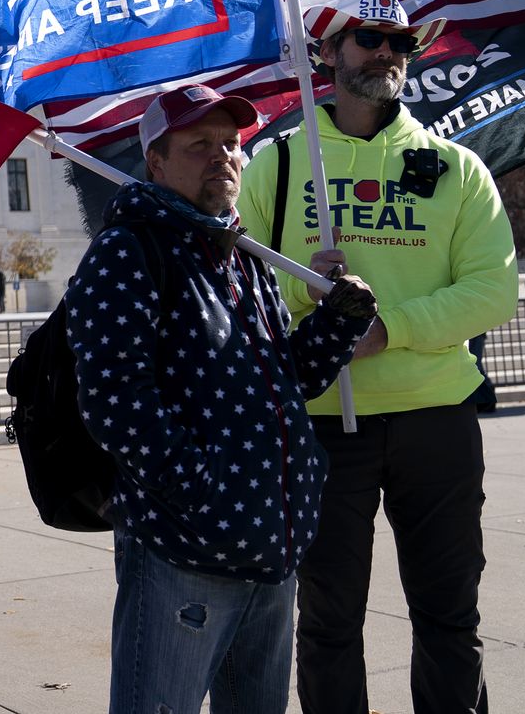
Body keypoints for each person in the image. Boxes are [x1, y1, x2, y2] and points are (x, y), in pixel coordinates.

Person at [238, 0, 517, 714]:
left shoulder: (456, 168)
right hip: (325, 424)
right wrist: (307, 294)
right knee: (329, 624)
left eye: (400, 42)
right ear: (328, 53)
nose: (388, 53)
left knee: (451, 616)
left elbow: (493, 290)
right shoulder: (279, 163)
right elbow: (240, 283)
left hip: (438, 420)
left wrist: (386, 329)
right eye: (369, 37)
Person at [71, 84, 377, 714]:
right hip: (185, 550)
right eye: (199, 144)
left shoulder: (242, 258)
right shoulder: (129, 251)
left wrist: (337, 324)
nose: (223, 157)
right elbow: (114, 400)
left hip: (269, 545)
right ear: (156, 161)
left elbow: (281, 383)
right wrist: (202, 489)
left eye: (232, 144)